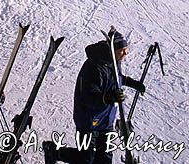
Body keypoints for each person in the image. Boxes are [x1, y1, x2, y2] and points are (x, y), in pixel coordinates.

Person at [43, 28, 145, 164]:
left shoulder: (113, 62)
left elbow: (116, 78)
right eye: (122, 50)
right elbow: (88, 96)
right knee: (86, 159)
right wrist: (108, 98)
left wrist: (132, 83)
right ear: (112, 50)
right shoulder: (94, 66)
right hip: (89, 120)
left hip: (106, 120)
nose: (125, 53)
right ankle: (54, 151)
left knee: (105, 159)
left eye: (126, 49)